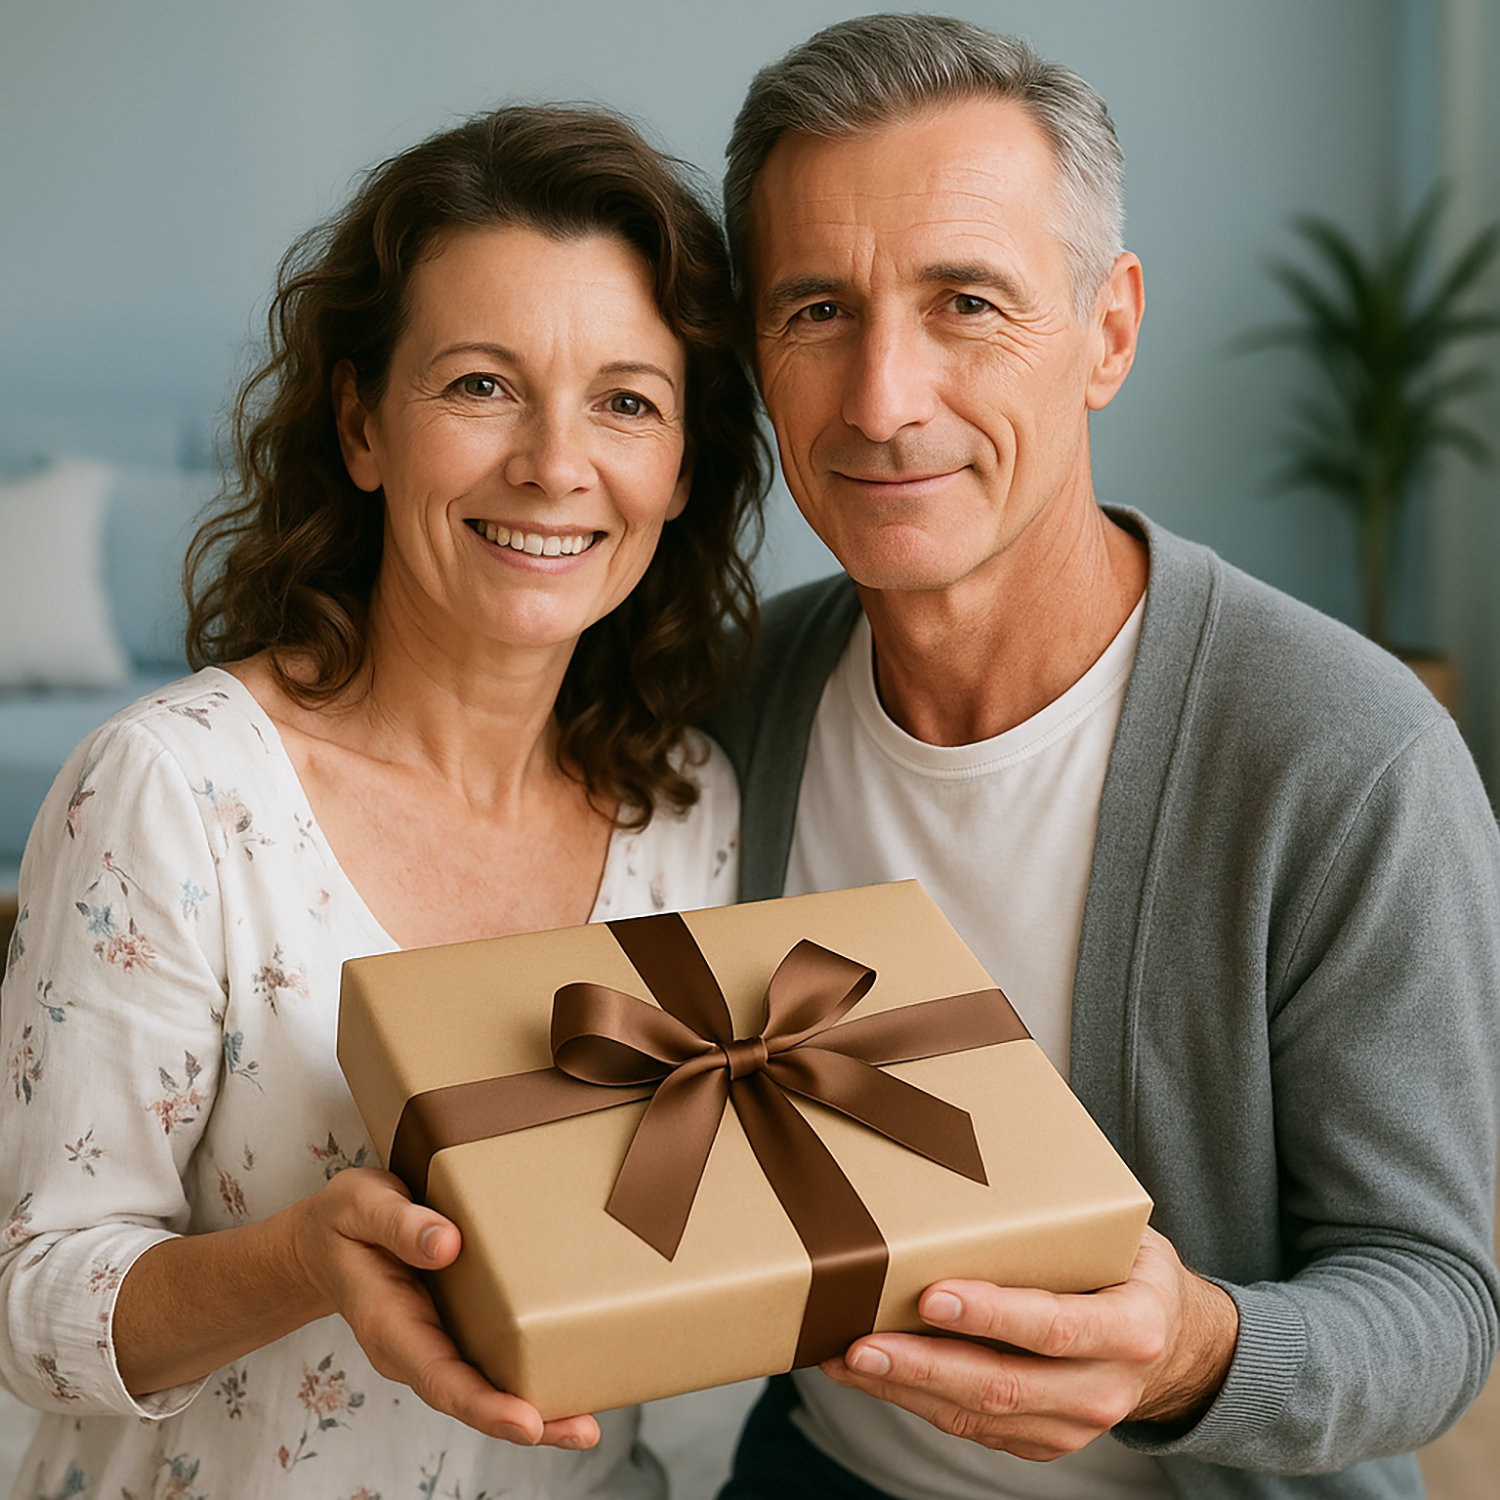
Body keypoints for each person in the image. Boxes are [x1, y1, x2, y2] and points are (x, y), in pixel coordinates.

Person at [709, 14, 1500, 1500]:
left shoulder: (1350, 758)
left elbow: (1443, 1306)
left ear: (1109, 331)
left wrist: (1192, 1347)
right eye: (818, 309)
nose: (884, 398)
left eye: (965, 302)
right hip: (815, 1469)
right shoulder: (741, 692)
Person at [0, 104, 763, 1500]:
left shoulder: (688, 808)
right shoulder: (175, 792)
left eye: (627, 401)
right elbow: (32, 1311)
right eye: (480, 386)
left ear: (682, 470)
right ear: (360, 423)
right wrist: (298, 1265)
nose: (552, 462)